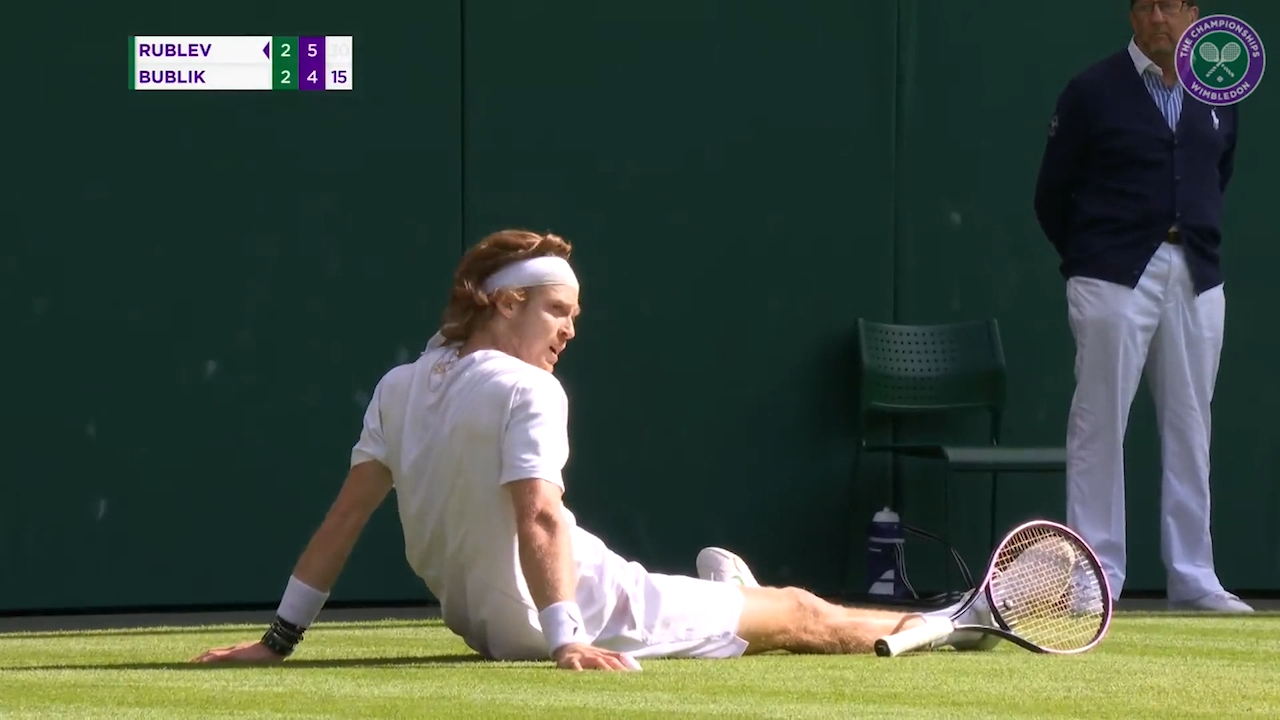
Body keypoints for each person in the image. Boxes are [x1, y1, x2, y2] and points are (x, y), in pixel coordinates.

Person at [192, 229, 998, 671]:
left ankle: (736, 597)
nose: (571, 329)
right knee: (800, 614)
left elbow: (345, 516)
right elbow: (538, 516)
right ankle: (955, 620)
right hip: (593, 609)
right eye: (557, 310)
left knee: (755, 605)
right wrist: (567, 638)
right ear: (505, 303)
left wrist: (278, 641)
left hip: (490, 623)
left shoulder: (399, 384)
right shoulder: (528, 390)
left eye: (575, 315)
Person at [1033, 0, 1250, 612]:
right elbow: (1051, 194)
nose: (1160, 17)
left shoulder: (1218, 92)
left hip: (1196, 273)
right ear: (1132, 16)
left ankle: (1195, 576)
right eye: (1147, 5)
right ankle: (1093, 578)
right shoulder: (1092, 90)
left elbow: (1218, 172)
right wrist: (1092, 258)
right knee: (1100, 421)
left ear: (1192, 13)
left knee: (1191, 423)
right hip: (1111, 273)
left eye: (1172, 5)